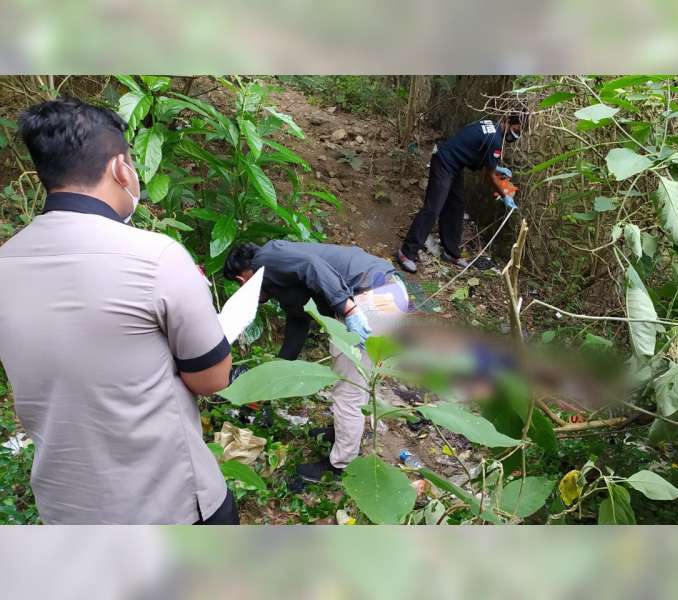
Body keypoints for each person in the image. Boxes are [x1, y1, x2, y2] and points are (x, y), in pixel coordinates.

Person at [0, 99, 236, 524]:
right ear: (120, 169)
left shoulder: (5, 262)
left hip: (66, 510)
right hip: (168, 505)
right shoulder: (155, 256)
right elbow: (212, 378)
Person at [223, 240, 409, 482]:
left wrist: (348, 309)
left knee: (348, 392)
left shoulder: (265, 261)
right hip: (389, 292)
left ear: (242, 279)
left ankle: (340, 465)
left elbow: (311, 265)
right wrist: (271, 383)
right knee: (357, 382)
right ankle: (342, 436)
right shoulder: (280, 275)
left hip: (371, 299)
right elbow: (298, 325)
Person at [396, 112, 527, 273]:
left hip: (455, 164)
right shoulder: (496, 140)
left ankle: (451, 253)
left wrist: (495, 167)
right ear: (508, 122)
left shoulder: (490, 125)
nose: (516, 134)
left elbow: (476, 149)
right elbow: (490, 176)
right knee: (433, 208)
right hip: (444, 162)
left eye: (519, 132)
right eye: (516, 130)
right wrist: (505, 195)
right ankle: (406, 252)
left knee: (456, 207)